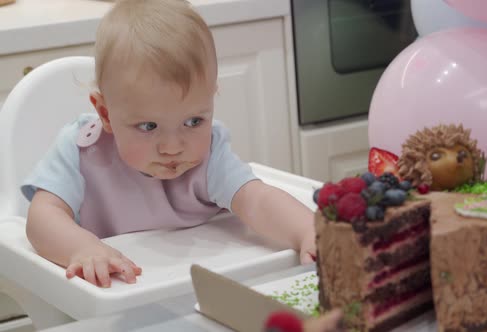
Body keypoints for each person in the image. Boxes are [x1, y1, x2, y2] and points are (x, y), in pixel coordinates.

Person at [22, 0, 315, 288]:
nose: (173, 148)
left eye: (193, 122)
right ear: (105, 114)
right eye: (148, 127)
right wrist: (82, 248)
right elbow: (41, 217)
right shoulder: (82, 151)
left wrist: (308, 230)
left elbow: (257, 200)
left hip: (198, 292)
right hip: (120, 294)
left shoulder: (211, 157)